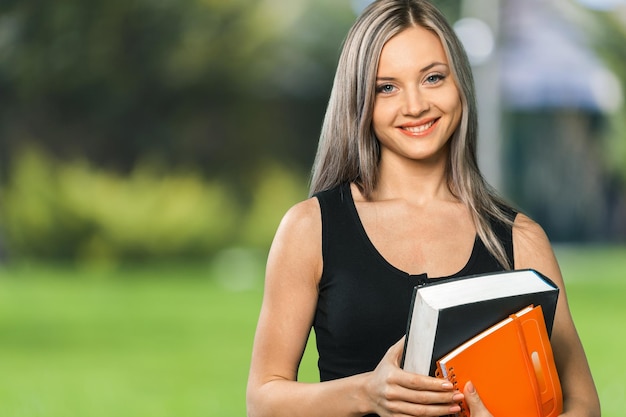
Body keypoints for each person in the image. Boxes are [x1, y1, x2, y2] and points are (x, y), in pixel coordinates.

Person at [246, 0, 601, 416]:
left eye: (432, 78)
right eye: (387, 87)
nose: (415, 105)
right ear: (360, 101)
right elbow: (262, 401)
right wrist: (367, 393)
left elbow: (585, 404)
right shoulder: (311, 228)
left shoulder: (520, 239)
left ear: (459, 85)